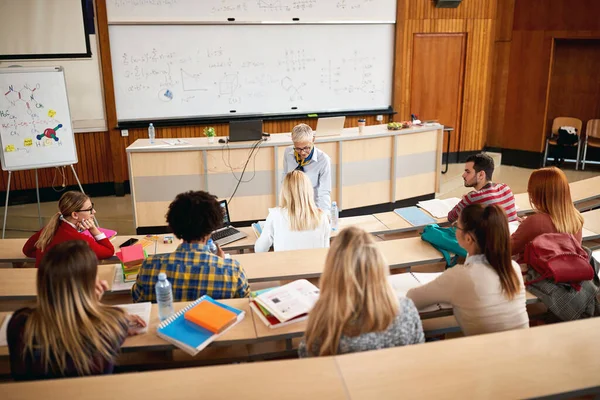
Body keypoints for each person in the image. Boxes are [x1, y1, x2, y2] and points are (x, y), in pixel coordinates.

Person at [7, 241, 146, 381]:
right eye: (95, 275)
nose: (102, 282)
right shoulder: (111, 324)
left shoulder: (19, 323)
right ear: (86, 286)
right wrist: (95, 304)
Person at [299, 227, 424, 357]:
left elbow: (307, 358)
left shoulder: (325, 322)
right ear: (379, 266)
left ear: (333, 271)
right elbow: (419, 356)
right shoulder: (407, 309)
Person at [407, 204, 528, 336]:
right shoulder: (512, 268)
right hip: (523, 350)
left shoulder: (460, 276)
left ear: (468, 238)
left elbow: (412, 299)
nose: (454, 230)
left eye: (456, 226)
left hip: (485, 354)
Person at [132, 190, 249, 303]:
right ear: (212, 227)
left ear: (174, 225)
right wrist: (221, 263)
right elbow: (245, 304)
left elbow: (137, 299)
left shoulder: (149, 266)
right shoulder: (233, 270)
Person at [22, 191, 114, 267]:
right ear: (75, 215)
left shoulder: (51, 227)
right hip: (63, 284)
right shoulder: (79, 240)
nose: (94, 211)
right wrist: (93, 229)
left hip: (44, 281)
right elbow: (109, 251)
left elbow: (27, 250)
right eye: (89, 209)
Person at [511, 167, 583, 258]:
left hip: (537, 271)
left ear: (539, 194)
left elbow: (507, 249)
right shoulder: (576, 218)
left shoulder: (534, 222)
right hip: (567, 270)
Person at [255, 171, 330, 252]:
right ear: (309, 190)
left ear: (284, 191)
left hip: (283, 264)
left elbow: (260, 249)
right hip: (314, 264)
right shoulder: (322, 217)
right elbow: (325, 252)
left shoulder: (275, 215)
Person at [447, 153, 518, 223]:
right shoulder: (506, 188)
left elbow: (451, 217)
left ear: (481, 174)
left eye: (468, 172)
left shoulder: (472, 197)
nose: (463, 175)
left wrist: (464, 200)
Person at [283, 123, 332, 211]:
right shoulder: (288, 153)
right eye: (298, 148)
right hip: (292, 206)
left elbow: (324, 191)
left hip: (313, 207)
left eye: (306, 148)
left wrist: (325, 214)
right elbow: (285, 179)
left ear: (313, 140)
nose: (302, 152)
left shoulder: (323, 160)